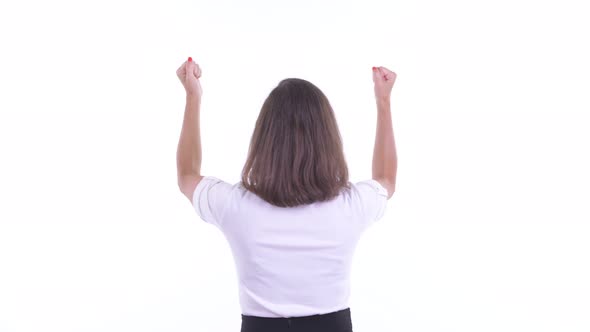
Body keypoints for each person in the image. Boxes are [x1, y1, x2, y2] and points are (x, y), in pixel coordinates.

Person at [176, 56, 397, 332]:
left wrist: (192, 96)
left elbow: (186, 175)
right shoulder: (350, 206)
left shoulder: (236, 206)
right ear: (328, 140)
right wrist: (383, 102)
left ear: (264, 139)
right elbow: (386, 179)